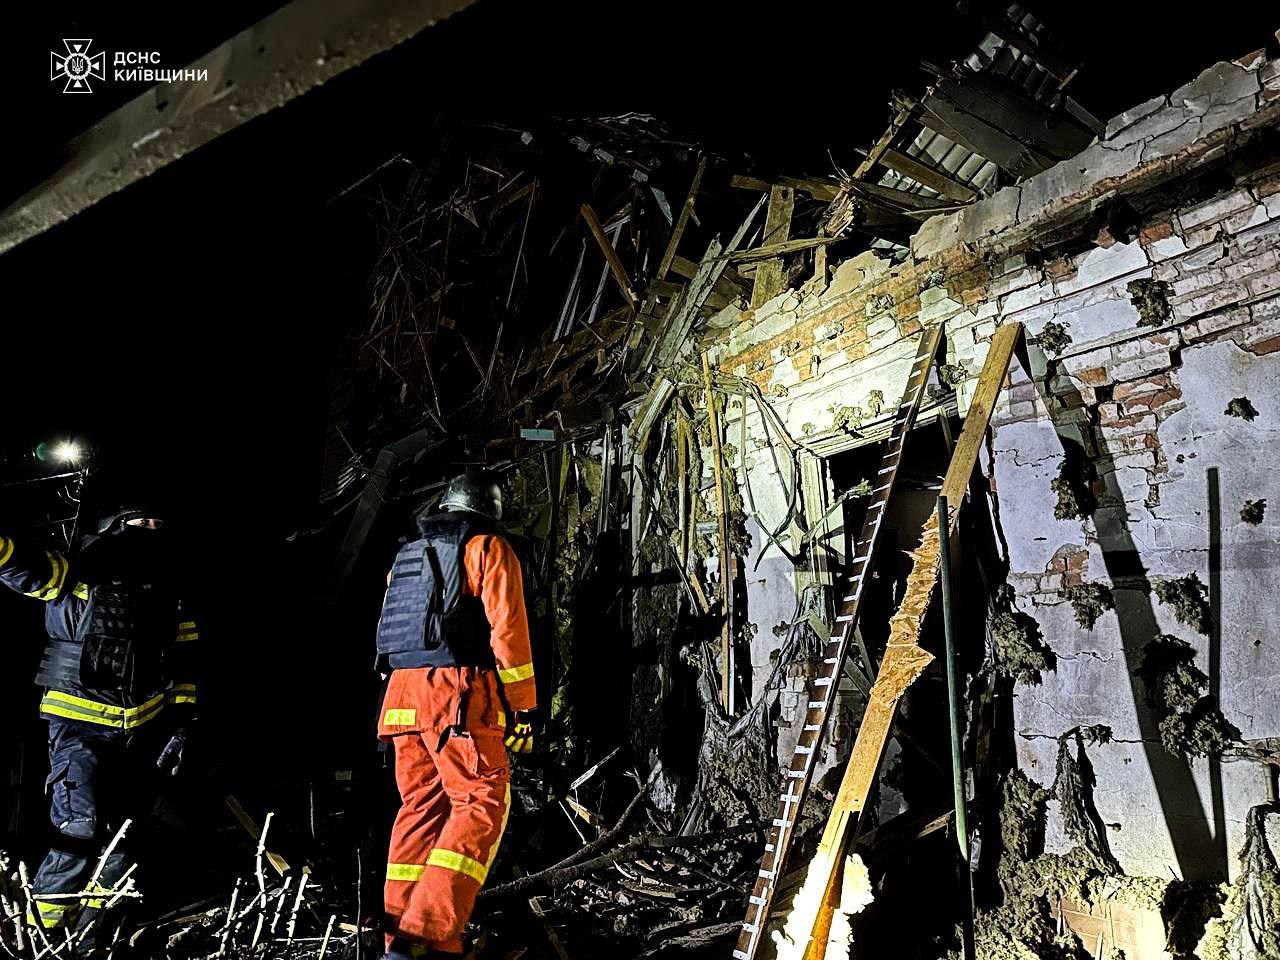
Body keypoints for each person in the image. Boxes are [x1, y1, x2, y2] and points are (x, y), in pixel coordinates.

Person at [0, 506, 198, 941]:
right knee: (78, 828)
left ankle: (90, 940)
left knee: (122, 843)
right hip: (80, 725)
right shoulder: (77, 574)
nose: (150, 532)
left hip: (144, 730)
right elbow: (22, 567)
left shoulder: (168, 589)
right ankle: (40, 937)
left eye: (158, 524)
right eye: (140, 522)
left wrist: (182, 720)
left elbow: (185, 655)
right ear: (111, 525)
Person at [376, 471, 536, 960]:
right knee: (482, 802)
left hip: (399, 698)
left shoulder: (407, 555)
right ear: (490, 510)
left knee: (419, 812)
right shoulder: (487, 548)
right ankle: (426, 934)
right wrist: (523, 709)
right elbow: (508, 633)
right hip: (455, 696)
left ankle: (402, 940)